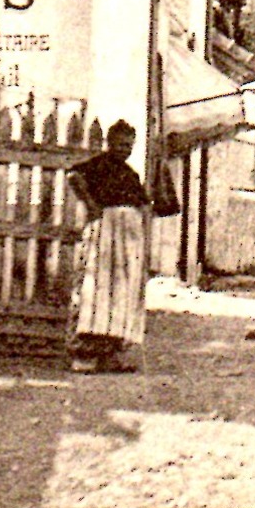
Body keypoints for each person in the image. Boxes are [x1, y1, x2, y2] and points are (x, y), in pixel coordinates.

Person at [68, 120, 152, 374]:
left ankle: (111, 355)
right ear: (109, 143)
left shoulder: (130, 173)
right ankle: (86, 356)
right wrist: (91, 204)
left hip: (129, 237)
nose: (124, 149)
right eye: (120, 144)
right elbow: (74, 176)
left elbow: (143, 203)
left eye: (129, 145)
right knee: (97, 292)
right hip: (106, 231)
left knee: (123, 294)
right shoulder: (98, 165)